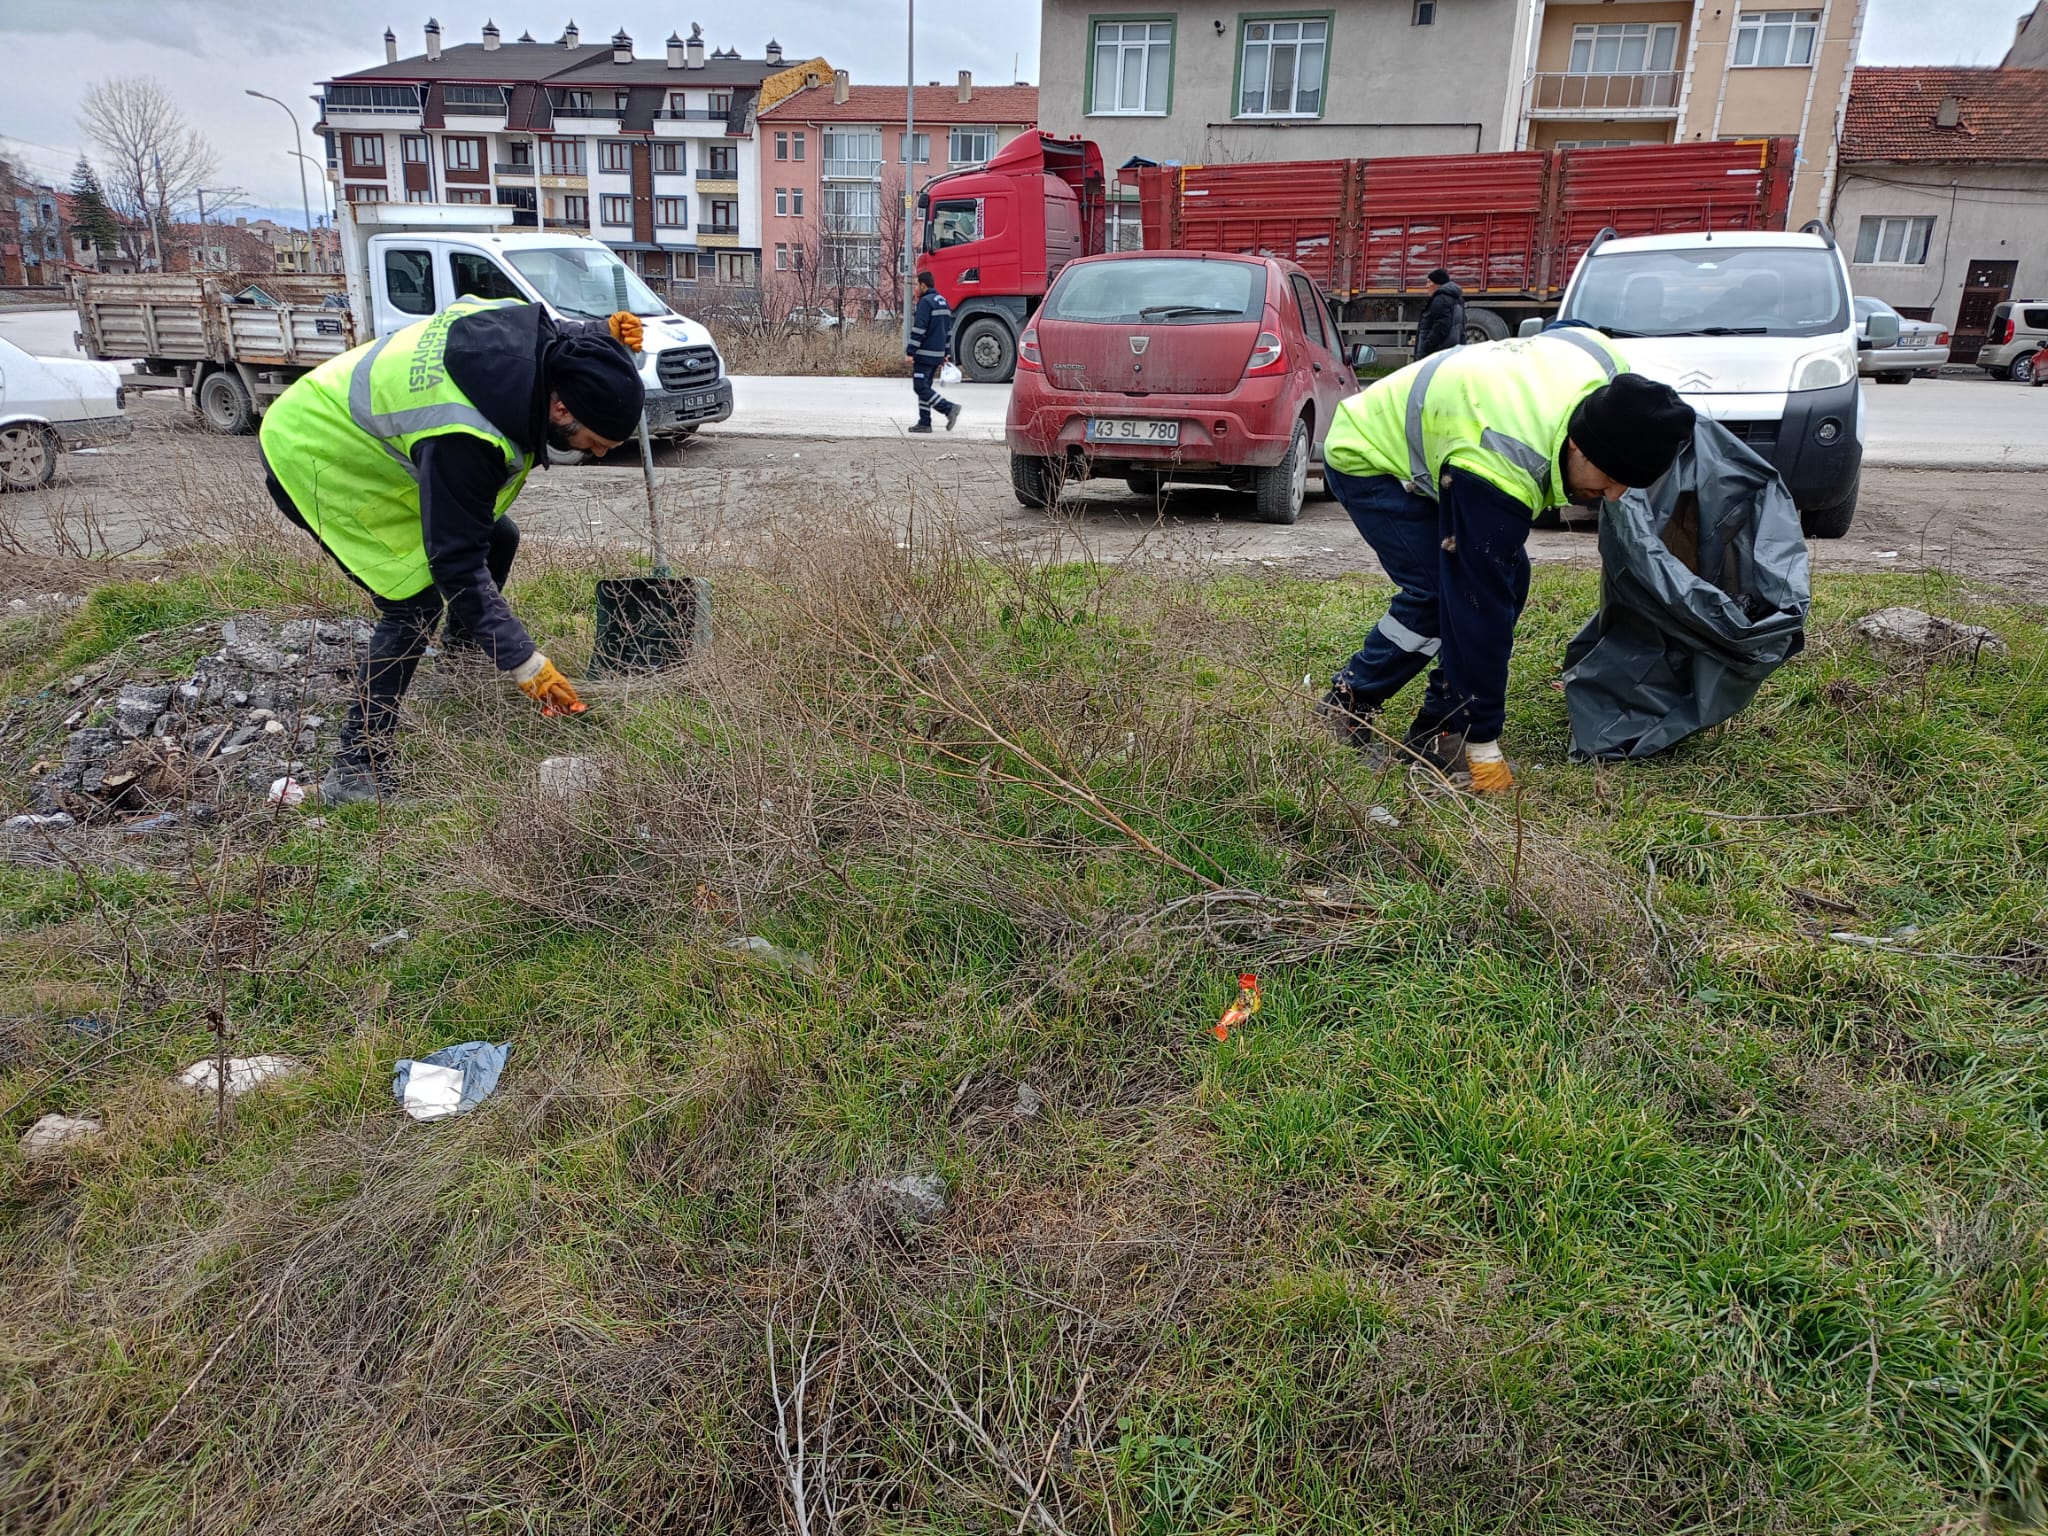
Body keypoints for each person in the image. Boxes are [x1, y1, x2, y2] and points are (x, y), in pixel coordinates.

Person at [257, 295, 646, 805]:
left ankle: (459, 672)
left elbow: (559, 337)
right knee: (412, 603)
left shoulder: (523, 338)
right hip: (318, 454)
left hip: (367, 439)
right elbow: (455, 563)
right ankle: (356, 769)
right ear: (561, 407)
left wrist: (604, 333)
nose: (596, 453)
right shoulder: (467, 435)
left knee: (499, 537)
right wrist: (523, 661)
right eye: (594, 442)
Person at [1316, 328, 1694, 793]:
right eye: (1611, 478)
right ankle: (1349, 706)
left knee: (1507, 579)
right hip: (1371, 452)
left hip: (1456, 431)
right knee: (1441, 594)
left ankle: (1439, 726)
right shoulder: (1502, 463)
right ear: (1578, 444)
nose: (1614, 496)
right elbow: (1477, 605)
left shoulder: (1607, 368)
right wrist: (1483, 738)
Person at [906, 270, 961, 433]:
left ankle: (948, 408)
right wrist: (946, 353)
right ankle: (924, 422)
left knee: (920, 387)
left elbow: (919, 329)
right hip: (937, 355)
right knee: (926, 386)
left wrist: (910, 351)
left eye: (917, 285)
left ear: (923, 285)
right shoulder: (943, 301)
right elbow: (948, 331)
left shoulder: (925, 302)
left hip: (924, 355)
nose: (915, 288)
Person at [1414, 268, 1466, 359]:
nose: (1426, 286)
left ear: (1437, 283)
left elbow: (1439, 328)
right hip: (1450, 352)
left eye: (1429, 282)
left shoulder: (1440, 300)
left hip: (1437, 353)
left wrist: (1424, 351)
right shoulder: (1457, 298)